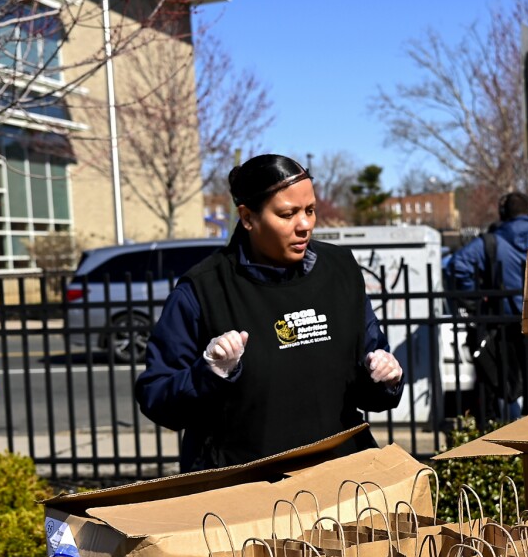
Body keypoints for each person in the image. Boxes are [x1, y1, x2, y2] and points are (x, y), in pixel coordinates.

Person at [135, 153, 404, 471]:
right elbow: (157, 399)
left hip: (340, 478)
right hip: (244, 486)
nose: (304, 225)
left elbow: (370, 382)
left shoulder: (341, 270)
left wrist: (384, 378)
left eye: (310, 210)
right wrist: (209, 373)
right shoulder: (202, 290)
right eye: (288, 214)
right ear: (248, 217)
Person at [444, 191, 528, 419]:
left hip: (505, 322)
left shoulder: (492, 240)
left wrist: (475, 299)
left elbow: (457, 265)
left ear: (504, 213)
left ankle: (513, 435)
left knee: (510, 383)